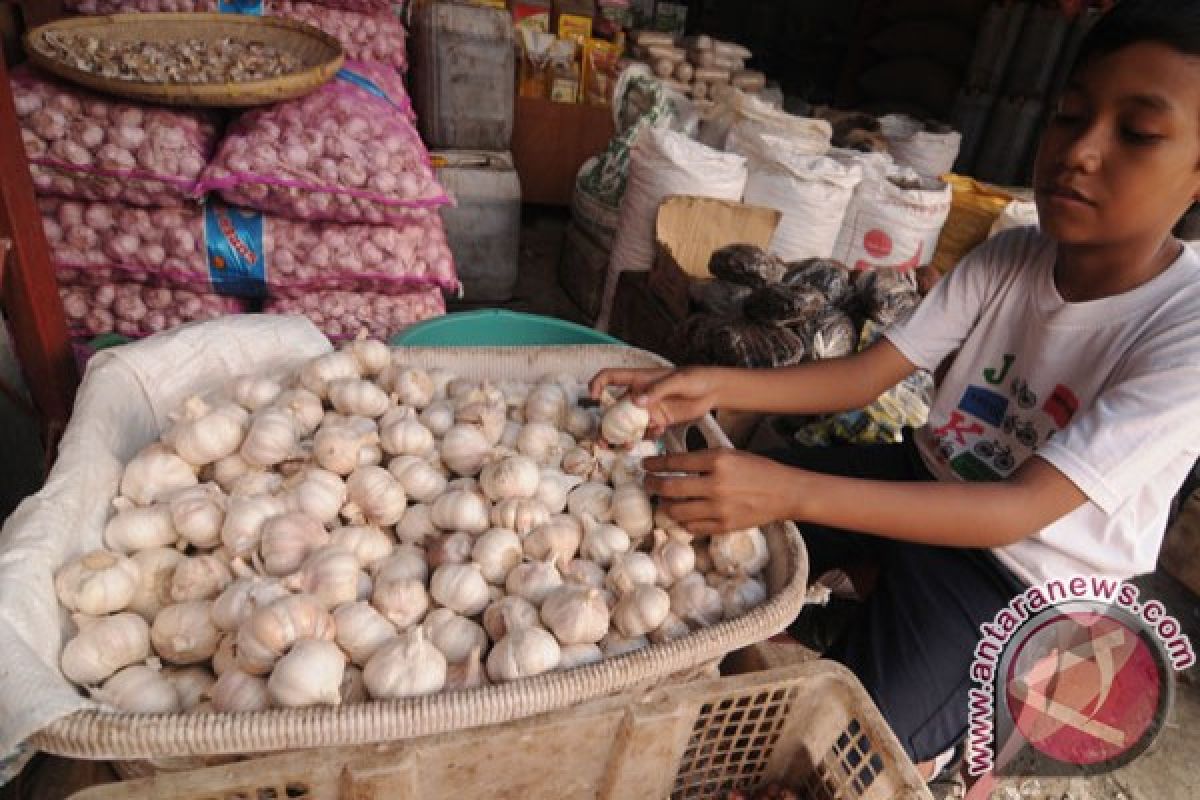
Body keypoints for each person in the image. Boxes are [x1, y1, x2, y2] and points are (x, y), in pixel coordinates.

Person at [591, 0, 1200, 781]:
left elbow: (1016, 508)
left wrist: (789, 491)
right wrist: (711, 384)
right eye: (1068, 115)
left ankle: (944, 744)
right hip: (926, 476)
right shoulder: (1012, 256)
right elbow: (865, 375)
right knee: (678, 539)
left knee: (839, 753)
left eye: (1137, 134)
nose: (1079, 151)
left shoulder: (1184, 333)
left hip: (1022, 580)